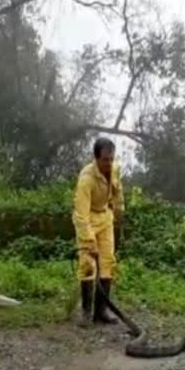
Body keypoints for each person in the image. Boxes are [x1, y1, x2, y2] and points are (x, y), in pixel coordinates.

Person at [72, 137, 125, 326]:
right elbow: (81, 215)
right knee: (87, 265)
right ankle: (86, 312)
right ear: (96, 158)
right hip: (88, 219)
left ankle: (101, 312)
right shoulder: (86, 179)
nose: (109, 163)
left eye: (111, 158)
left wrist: (119, 214)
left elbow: (118, 193)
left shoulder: (115, 169)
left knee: (107, 263)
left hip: (105, 216)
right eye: (105, 159)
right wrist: (88, 241)